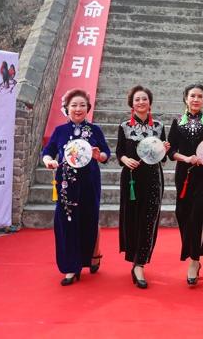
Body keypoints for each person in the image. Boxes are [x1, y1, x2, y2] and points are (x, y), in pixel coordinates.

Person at [41, 89, 111, 286]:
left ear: (88, 108)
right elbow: (47, 152)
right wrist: (49, 161)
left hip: (89, 183)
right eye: (74, 105)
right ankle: (71, 267)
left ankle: (91, 257)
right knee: (66, 223)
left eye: (82, 105)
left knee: (89, 220)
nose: (78, 109)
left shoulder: (95, 130)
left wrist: (99, 156)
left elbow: (106, 153)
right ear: (67, 108)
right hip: (66, 185)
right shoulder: (60, 131)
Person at [167, 84, 203, 286]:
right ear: (186, 98)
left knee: (197, 215)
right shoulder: (177, 122)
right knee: (182, 214)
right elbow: (170, 151)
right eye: (192, 96)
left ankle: (194, 260)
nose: (196, 99)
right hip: (184, 175)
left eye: (200, 96)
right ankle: (193, 251)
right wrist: (187, 158)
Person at [116, 85, 170, 289]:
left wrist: (164, 149)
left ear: (150, 102)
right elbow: (119, 152)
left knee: (149, 220)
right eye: (137, 99)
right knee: (132, 219)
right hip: (131, 179)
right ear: (132, 103)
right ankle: (133, 257)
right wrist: (125, 159)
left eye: (144, 99)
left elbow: (162, 159)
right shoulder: (124, 126)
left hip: (153, 179)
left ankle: (140, 264)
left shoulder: (159, 126)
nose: (141, 102)